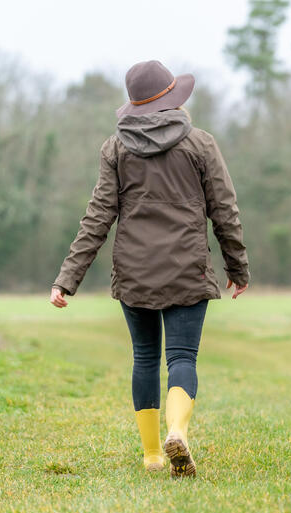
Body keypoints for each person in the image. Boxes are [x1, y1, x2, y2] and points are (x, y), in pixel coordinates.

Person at [50, 60, 250, 477]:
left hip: (134, 273)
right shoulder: (200, 144)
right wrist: (237, 266)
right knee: (181, 357)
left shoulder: (115, 149)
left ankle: (153, 454)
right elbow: (224, 211)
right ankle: (178, 429)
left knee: (144, 358)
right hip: (187, 271)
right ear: (174, 100)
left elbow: (98, 217)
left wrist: (66, 280)